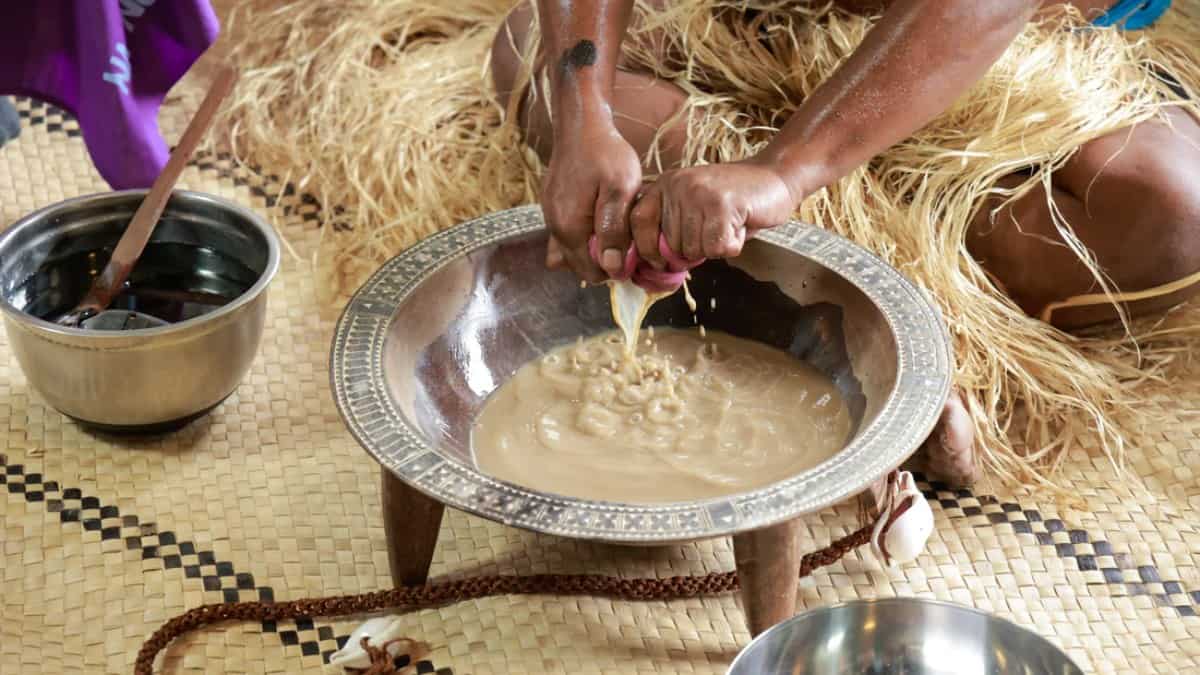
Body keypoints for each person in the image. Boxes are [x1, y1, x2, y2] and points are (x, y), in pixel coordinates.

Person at [488, 0, 1200, 485]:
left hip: (1020, 49)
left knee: (1173, 216)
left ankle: (900, 311)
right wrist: (584, 118)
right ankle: (854, 288)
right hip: (772, 25)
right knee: (527, 54)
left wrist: (783, 169)